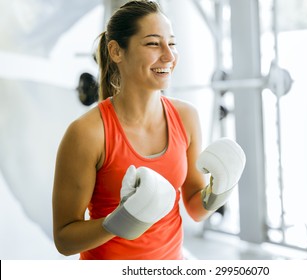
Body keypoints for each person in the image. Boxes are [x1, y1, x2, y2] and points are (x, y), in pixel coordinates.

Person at [52, 0, 246, 260]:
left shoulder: (186, 117)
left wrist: (219, 190)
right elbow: (65, 239)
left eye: (172, 43)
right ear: (117, 51)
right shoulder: (87, 134)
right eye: (154, 43)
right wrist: (117, 222)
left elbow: (194, 207)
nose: (169, 55)